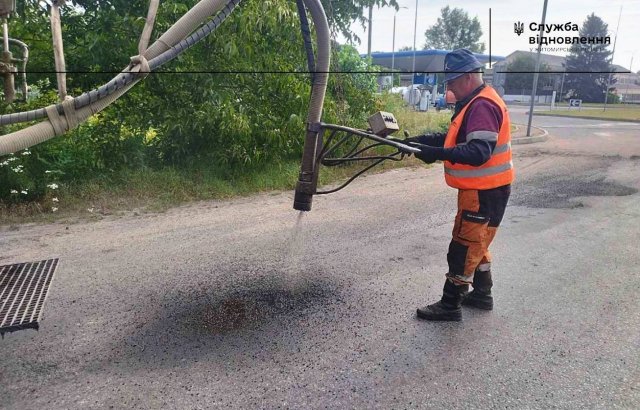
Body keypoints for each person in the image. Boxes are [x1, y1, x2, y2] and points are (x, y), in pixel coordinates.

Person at [404, 49, 514, 321]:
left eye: (452, 82)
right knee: (478, 242)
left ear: (467, 77)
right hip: (487, 190)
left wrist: (436, 154)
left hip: (484, 192)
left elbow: (478, 152)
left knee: (464, 247)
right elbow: (457, 139)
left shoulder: (482, 106)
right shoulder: (476, 101)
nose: (449, 87)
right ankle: (481, 294)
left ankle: (450, 305)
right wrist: (425, 141)